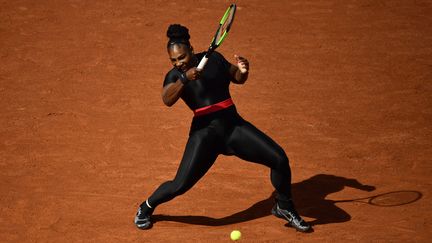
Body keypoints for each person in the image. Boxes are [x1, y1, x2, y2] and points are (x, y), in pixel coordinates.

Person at [134, 24, 311, 232]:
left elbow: (236, 77)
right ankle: (145, 207)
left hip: (234, 128)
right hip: (205, 136)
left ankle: (284, 206)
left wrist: (243, 70)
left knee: (279, 159)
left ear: (191, 49)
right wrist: (184, 78)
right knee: (179, 184)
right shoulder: (174, 76)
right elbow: (167, 99)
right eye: (173, 60)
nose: (178, 63)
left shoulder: (215, 59)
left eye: (181, 57)